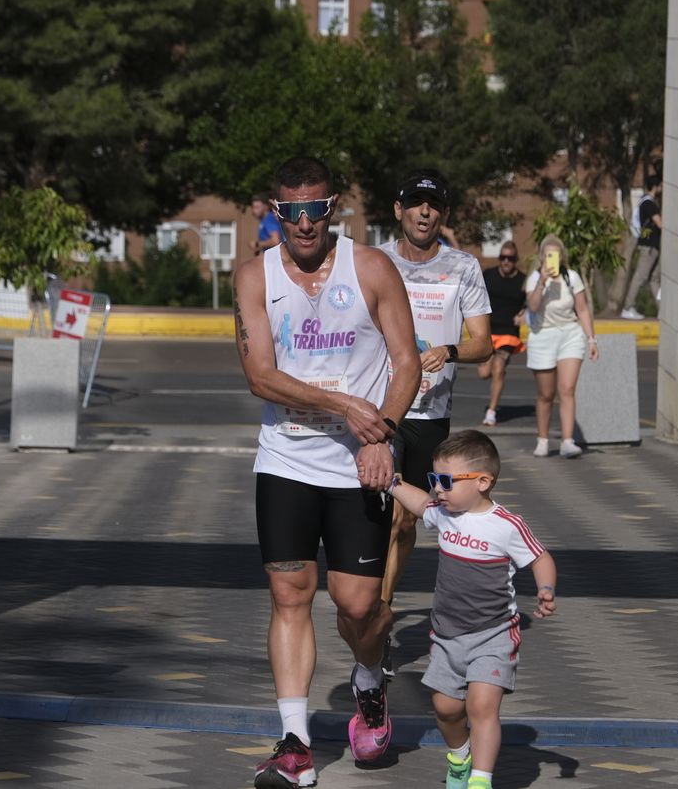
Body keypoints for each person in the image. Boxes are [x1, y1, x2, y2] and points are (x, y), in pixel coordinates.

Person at [233, 156, 420, 788]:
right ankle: (294, 743)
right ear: (275, 212)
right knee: (289, 595)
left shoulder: (370, 268)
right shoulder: (254, 277)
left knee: (358, 605)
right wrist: (344, 404)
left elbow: (406, 363)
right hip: (286, 457)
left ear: (332, 206)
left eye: (316, 209)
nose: (305, 224)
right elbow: (260, 375)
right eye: (292, 212)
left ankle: (369, 679)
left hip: (359, 466)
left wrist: (382, 435)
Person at [381, 430, 557, 789]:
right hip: (447, 636)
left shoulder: (506, 525)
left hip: (494, 634)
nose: (437, 489)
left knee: (481, 708)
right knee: (446, 709)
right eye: (434, 480)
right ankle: (460, 756)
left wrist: (546, 589)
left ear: (482, 482)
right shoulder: (446, 515)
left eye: (445, 481)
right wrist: (393, 483)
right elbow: (418, 504)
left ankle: (480, 778)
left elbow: (540, 557)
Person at [375, 170, 492, 630]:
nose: (426, 211)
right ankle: (372, 605)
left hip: (431, 413)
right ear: (398, 210)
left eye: (435, 204)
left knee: (407, 520)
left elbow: (483, 342)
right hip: (382, 407)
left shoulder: (462, 267)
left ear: (443, 214)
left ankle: (383, 603)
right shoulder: (373, 261)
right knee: (380, 511)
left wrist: (450, 350)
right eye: (417, 202)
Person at [523, 235, 598, 458]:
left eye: (555, 255)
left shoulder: (571, 277)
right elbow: (533, 307)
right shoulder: (534, 278)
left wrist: (591, 339)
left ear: (561, 257)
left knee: (567, 389)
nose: (551, 259)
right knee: (546, 393)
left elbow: (583, 309)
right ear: (541, 257)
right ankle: (543, 440)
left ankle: (567, 441)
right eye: (548, 255)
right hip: (542, 335)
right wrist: (541, 282)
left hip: (570, 334)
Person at [478, 241, 526, 427]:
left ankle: (491, 412)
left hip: (508, 333)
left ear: (516, 260)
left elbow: (531, 302)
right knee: (484, 373)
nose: (506, 262)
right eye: (503, 258)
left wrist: (524, 313)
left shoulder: (523, 280)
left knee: (498, 368)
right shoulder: (489, 275)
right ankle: (493, 370)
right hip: (488, 331)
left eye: (510, 258)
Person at [620, 181, 661, 320]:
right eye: (660, 185)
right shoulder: (649, 203)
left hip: (652, 246)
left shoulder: (644, 202)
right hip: (649, 246)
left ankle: (662, 309)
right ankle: (628, 307)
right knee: (640, 277)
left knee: (654, 279)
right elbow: (659, 223)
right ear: (655, 186)